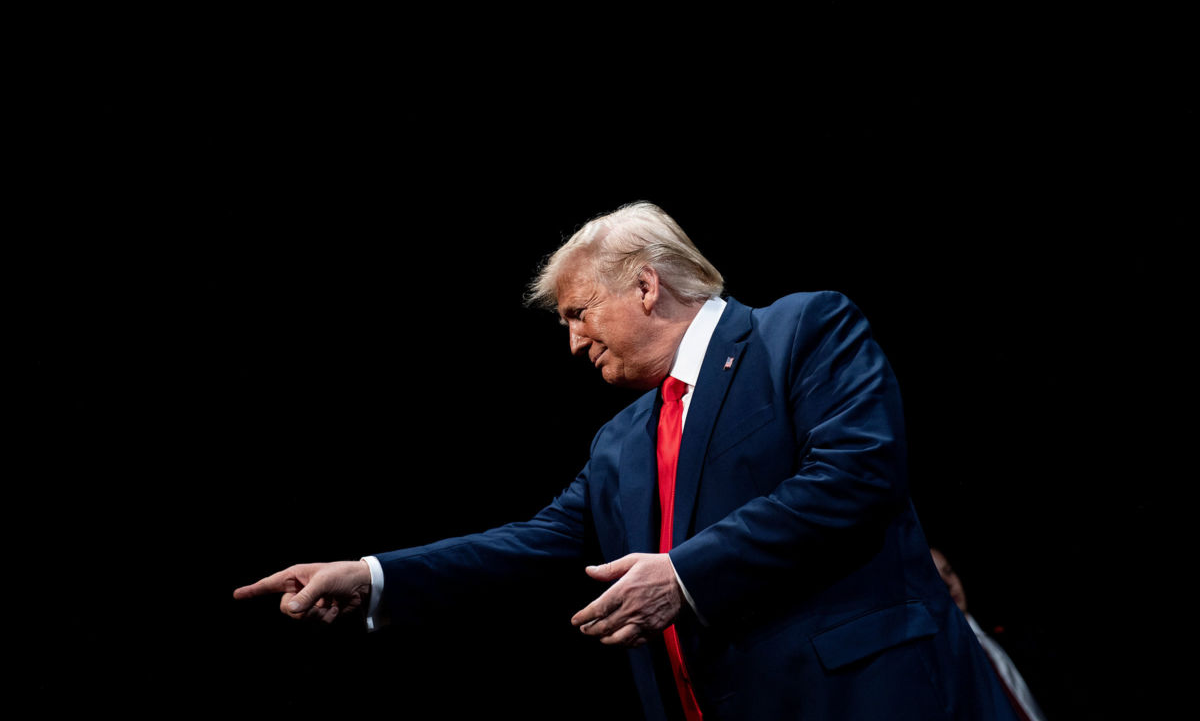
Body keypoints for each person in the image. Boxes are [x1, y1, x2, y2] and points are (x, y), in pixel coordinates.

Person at [235, 201, 1019, 720]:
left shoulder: (803, 331)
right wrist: (373, 574)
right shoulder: (621, 441)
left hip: (861, 699)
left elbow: (855, 477)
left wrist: (684, 576)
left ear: (646, 286)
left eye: (579, 313)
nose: (573, 342)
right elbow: (536, 543)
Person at [931, 547, 1049, 721]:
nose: (948, 583)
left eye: (948, 571)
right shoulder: (944, 665)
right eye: (935, 580)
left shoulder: (1007, 631)